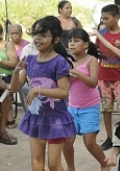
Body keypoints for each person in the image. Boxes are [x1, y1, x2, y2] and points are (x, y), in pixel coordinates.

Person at [10, 16, 77, 171]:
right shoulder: (30, 60)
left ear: (55, 39)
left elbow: (63, 91)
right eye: (36, 34)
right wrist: (15, 72)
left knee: (54, 165)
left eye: (44, 35)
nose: (38, 39)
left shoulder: (59, 62)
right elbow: (14, 88)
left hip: (56, 120)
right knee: (36, 164)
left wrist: (37, 90)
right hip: (35, 117)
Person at [63, 28, 109, 171]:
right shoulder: (66, 61)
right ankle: (71, 168)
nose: (72, 43)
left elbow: (93, 82)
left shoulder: (91, 60)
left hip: (90, 107)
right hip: (72, 107)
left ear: (85, 45)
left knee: (89, 143)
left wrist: (78, 74)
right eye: (70, 41)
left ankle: (105, 163)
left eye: (76, 41)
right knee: (67, 141)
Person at [96, 4, 120, 150]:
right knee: (106, 109)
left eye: (107, 18)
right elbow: (96, 52)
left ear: (117, 18)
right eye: (102, 19)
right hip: (103, 78)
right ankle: (110, 137)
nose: (104, 21)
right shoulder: (101, 33)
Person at [0, 23, 18, 143]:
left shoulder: (8, 44)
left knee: (7, 91)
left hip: (6, 76)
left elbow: (13, 63)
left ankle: (2, 131)